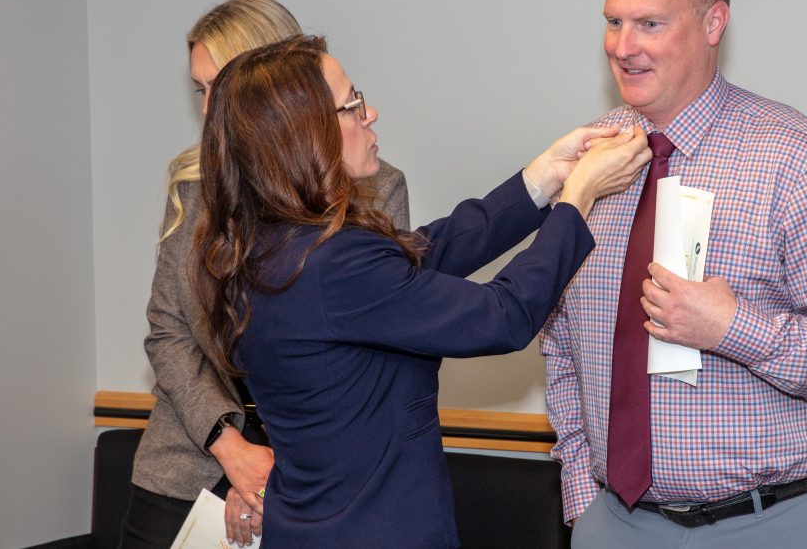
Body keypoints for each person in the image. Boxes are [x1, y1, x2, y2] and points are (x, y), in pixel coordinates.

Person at [192, 34, 652, 547]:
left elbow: (422, 253)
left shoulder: (270, 249)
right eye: (352, 105)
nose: (371, 114)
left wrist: (542, 177)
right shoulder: (332, 264)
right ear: (306, 136)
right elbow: (505, 315)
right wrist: (579, 198)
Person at [539, 0, 807, 548]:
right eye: (613, 22)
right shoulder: (586, 159)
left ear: (714, 23)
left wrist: (734, 327)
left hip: (772, 523)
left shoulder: (798, 159)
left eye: (650, 24)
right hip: (615, 523)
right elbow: (560, 342)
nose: (623, 47)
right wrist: (583, 494)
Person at [120, 0, 411, 549]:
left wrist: (276, 470)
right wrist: (231, 448)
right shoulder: (194, 185)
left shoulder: (375, 187)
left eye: (219, 88)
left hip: (314, 480)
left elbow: (365, 357)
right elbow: (167, 330)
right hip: (185, 464)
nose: (210, 111)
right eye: (201, 92)